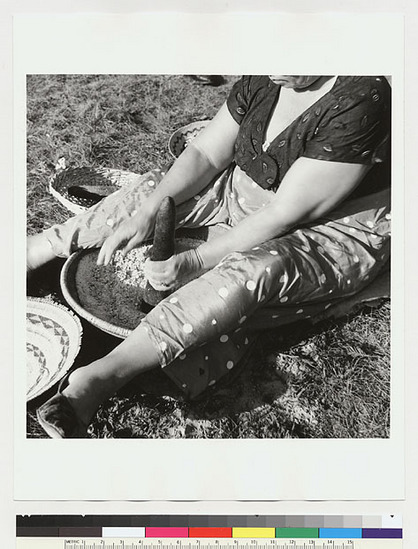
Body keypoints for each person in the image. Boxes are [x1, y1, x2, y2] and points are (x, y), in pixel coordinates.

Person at [28, 75, 391, 438]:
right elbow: (204, 154)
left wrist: (195, 261)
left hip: (324, 229)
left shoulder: (363, 97)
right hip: (241, 194)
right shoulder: (265, 77)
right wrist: (147, 214)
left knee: (255, 269)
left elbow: (284, 214)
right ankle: (35, 252)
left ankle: (104, 375)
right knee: (153, 191)